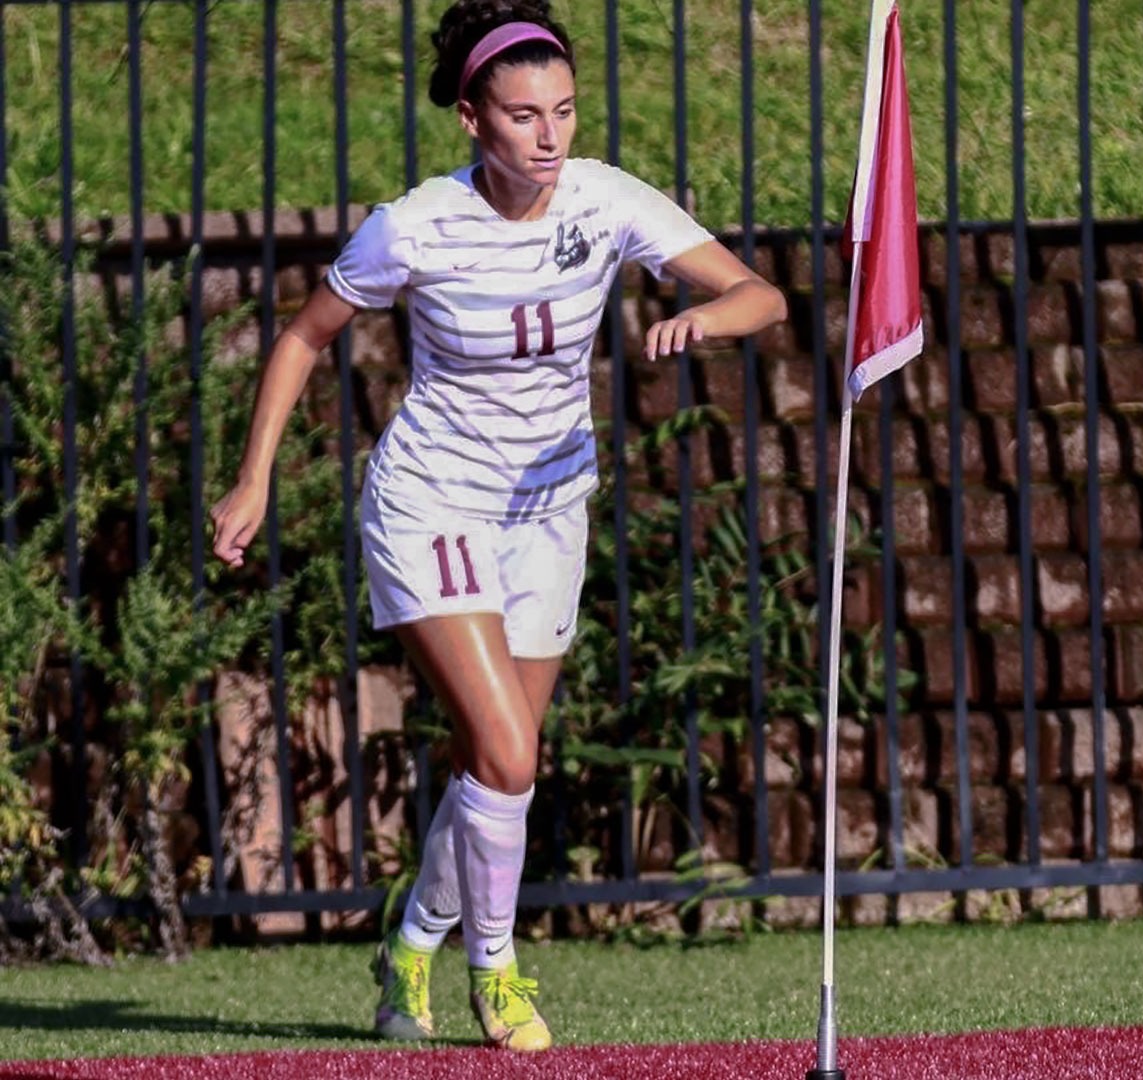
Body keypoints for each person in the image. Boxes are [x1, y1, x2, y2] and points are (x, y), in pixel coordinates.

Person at [207, 0, 787, 1052]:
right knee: (513, 754)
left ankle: (412, 940)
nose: (551, 135)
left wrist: (706, 314)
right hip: (432, 502)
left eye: (563, 110)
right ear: (474, 120)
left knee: (494, 764)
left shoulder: (604, 200)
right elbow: (301, 339)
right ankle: (499, 969)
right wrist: (252, 483)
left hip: (551, 508)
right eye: (525, 116)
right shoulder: (417, 224)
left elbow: (765, 297)